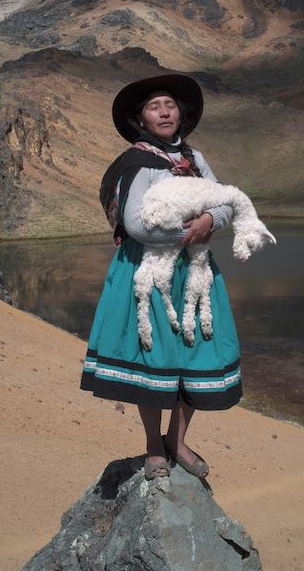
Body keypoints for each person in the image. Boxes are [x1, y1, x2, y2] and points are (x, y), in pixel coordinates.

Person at [81, 73, 242, 480]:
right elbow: (135, 223)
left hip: (192, 271)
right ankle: (154, 446)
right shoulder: (138, 165)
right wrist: (185, 233)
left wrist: (208, 218)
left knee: (195, 349)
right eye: (155, 106)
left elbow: (225, 201)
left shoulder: (195, 160)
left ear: (180, 113)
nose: (164, 111)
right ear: (141, 118)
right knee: (153, 357)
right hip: (148, 274)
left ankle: (177, 439)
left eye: (169, 104)